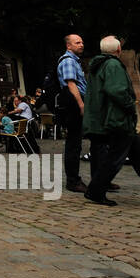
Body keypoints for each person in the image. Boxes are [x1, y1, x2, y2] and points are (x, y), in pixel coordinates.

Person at [82, 36, 140, 208]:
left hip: (115, 119)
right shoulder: (112, 65)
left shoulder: (99, 66)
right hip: (119, 120)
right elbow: (116, 91)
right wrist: (131, 105)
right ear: (118, 50)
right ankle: (95, 190)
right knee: (117, 160)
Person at [58, 34, 87, 193]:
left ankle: (75, 179)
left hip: (75, 103)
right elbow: (71, 84)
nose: (81, 44)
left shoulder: (74, 60)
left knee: (75, 143)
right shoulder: (68, 61)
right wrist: (81, 104)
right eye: (77, 42)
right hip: (74, 104)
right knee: (74, 144)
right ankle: (73, 181)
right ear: (69, 46)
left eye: (82, 42)